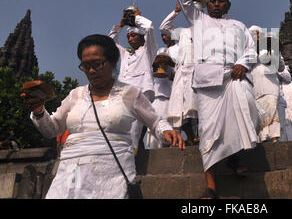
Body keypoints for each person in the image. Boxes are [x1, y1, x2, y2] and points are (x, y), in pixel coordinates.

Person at [23, 34, 184, 199]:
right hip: (70, 174)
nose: (92, 70)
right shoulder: (75, 95)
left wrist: (166, 131)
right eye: (86, 66)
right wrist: (39, 111)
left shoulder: (130, 93)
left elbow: (156, 121)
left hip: (112, 174)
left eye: (98, 64)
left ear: (113, 63)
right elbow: (52, 129)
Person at [176, 0, 266, 199]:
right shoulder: (198, 20)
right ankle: (211, 187)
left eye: (221, 1)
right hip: (208, 83)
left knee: (249, 111)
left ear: (227, 6)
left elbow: (250, 50)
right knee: (209, 132)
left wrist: (243, 64)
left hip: (235, 78)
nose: (216, 4)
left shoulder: (239, 25)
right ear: (207, 3)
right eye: (213, 0)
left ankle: (235, 156)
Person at [108, 6, 158, 154]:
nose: (130, 39)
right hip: (121, 94)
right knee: (118, 127)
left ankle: (130, 159)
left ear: (142, 38)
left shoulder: (148, 52)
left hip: (140, 94)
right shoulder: (125, 55)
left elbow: (149, 27)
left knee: (133, 129)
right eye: (128, 37)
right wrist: (121, 25)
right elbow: (109, 42)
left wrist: (137, 18)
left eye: (134, 36)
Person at [161, 3, 202, 145]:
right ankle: (191, 137)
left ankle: (199, 136)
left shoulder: (207, 30)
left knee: (195, 105)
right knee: (179, 108)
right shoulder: (183, 31)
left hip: (197, 70)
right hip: (180, 72)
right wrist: (175, 11)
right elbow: (164, 27)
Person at [249, 29, 285, 142]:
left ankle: (274, 138)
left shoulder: (272, 50)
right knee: (260, 116)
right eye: (255, 34)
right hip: (255, 89)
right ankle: (263, 138)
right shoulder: (249, 51)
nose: (257, 36)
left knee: (272, 110)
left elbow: (281, 67)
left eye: (258, 33)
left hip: (270, 87)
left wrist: (276, 50)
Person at [143, 49, 175, 149]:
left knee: (169, 127)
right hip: (156, 103)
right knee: (155, 130)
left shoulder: (172, 72)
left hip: (169, 103)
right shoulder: (153, 77)